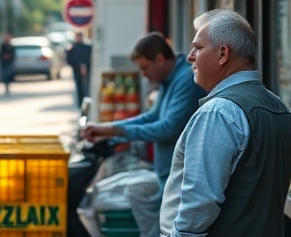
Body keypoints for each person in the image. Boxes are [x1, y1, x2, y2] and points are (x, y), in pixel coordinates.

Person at [156, 9, 291, 237]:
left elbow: (200, 198)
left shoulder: (219, 111)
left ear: (222, 54)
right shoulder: (278, 108)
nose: (189, 57)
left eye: (197, 47)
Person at [82, 32, 204, 192]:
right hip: (170, 175)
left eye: (145, 68)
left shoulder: (186, 79)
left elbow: (167, 129)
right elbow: (152, 116)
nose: (143, 74)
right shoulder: (169, 79)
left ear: (160, 60)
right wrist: (108, 129)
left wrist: (112, 130)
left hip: (182, 178)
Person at [65, 31, 93, 109]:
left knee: (87, 88)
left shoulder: (87, 47)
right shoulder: (73, 47)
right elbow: (69, 60)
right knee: (79, 88)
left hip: (87, 70)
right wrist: (78, 66)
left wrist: (84, 66)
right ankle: (81, 104)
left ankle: (87, 103)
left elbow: (90, 58)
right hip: (77, 70)